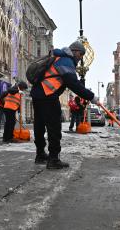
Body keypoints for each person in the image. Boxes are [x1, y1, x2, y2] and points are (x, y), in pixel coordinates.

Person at [30, 41, 99, 169]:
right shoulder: (66, 61)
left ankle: (40, 155)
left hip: (37, 94)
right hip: (48, 95)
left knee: (39, 125)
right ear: (75, 51)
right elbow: (73, 84)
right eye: (81, 54)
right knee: (54, 127)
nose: (81, 58)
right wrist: (92, 97)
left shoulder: (57, 57)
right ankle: (53, 159)